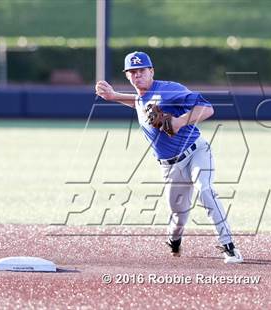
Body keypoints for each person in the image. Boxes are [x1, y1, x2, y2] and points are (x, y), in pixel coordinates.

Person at [95, 51, 243, 264]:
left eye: (142, 71)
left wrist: (179, 122)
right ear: (128, 76)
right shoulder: (141, 97)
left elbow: (207, 108)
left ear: (151, 71)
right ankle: (175, 240)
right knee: (178, 216)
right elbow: (138, 101)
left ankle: (229, 246)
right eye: (133, 72)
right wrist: (114, 96)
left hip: (196, 151)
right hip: (170, 167)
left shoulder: (169, 89)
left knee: (206, 190)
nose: (138, 75)